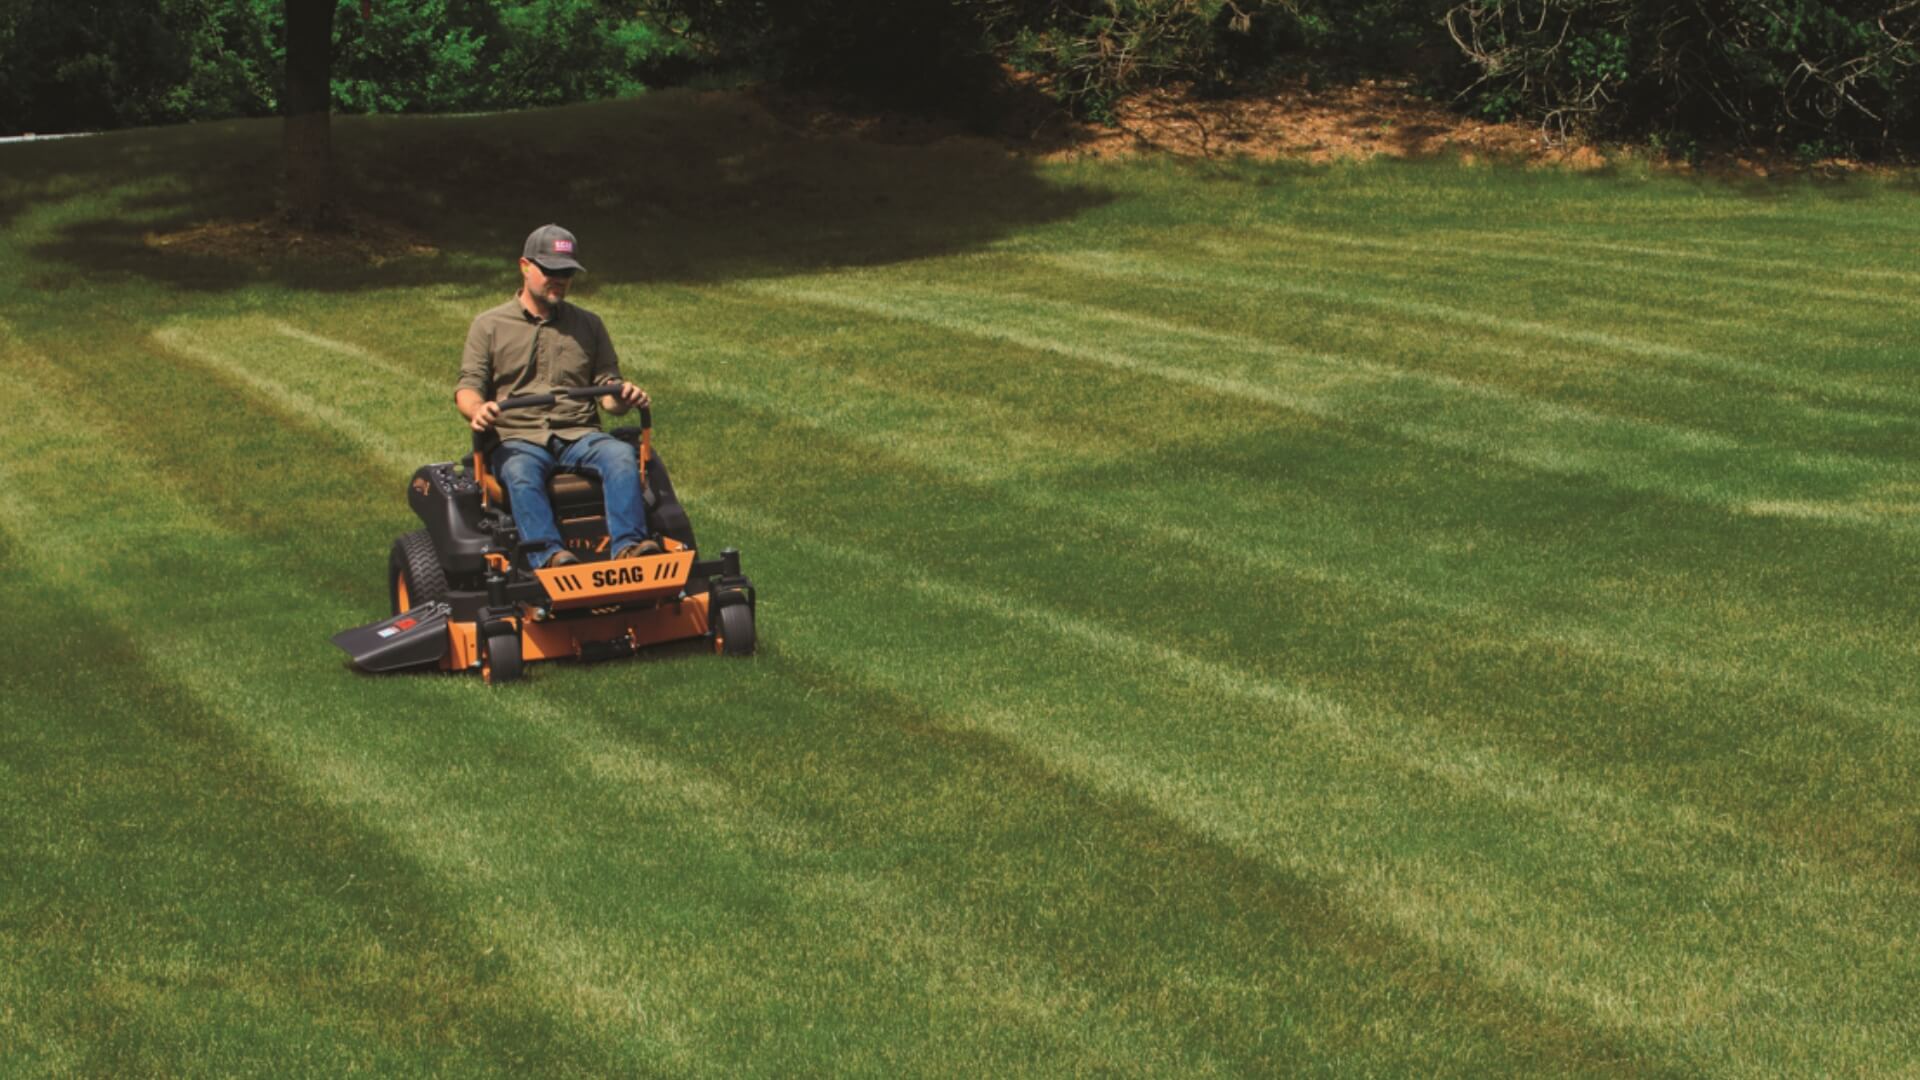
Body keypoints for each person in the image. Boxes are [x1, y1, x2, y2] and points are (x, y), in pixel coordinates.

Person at [455, 224, 661, 570]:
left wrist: (623, 396)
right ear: (524, 266)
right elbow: (467, 387)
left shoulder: (589, 325)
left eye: (566, 272)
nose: (559, 279)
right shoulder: (489, 326)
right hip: (518, 437)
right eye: (550, 270)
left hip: (579, 435)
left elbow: (608, 394)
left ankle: (628, 548)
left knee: (622, 456)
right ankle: (548, 557)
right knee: (520, 472)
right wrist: (478, 410)